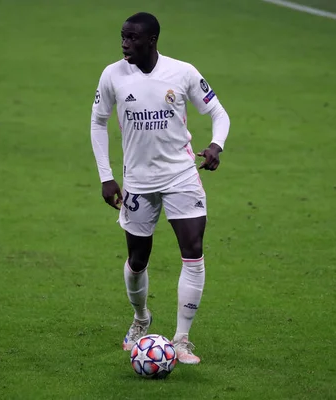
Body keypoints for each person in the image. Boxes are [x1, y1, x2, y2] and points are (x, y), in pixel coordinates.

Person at [90, 12, 230, 365]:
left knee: (193, 249)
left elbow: (219, 113)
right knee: (138, 260)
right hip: (137, 181)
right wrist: (106, 176)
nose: (125, 44)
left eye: (132, 38)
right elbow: (98, 121)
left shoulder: (182, 72)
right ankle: (141, 320)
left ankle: (182, 339)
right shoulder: (113, 75)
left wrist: (216, 146)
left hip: (181, 174)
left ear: (152, 40)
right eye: (122, 37)